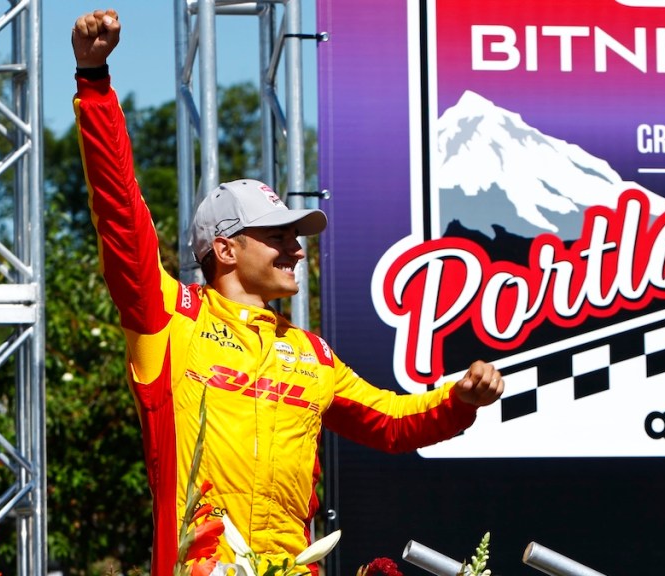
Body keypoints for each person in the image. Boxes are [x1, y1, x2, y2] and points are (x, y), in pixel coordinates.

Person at [72, 9, 504, 576]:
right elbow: (120, 212)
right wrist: (95, 84)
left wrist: (460, 400)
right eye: (278, 237)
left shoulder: (312, 355)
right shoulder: (169, 320)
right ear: (225, 249)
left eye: (295, 238)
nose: (297, 250)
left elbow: (394, 422)